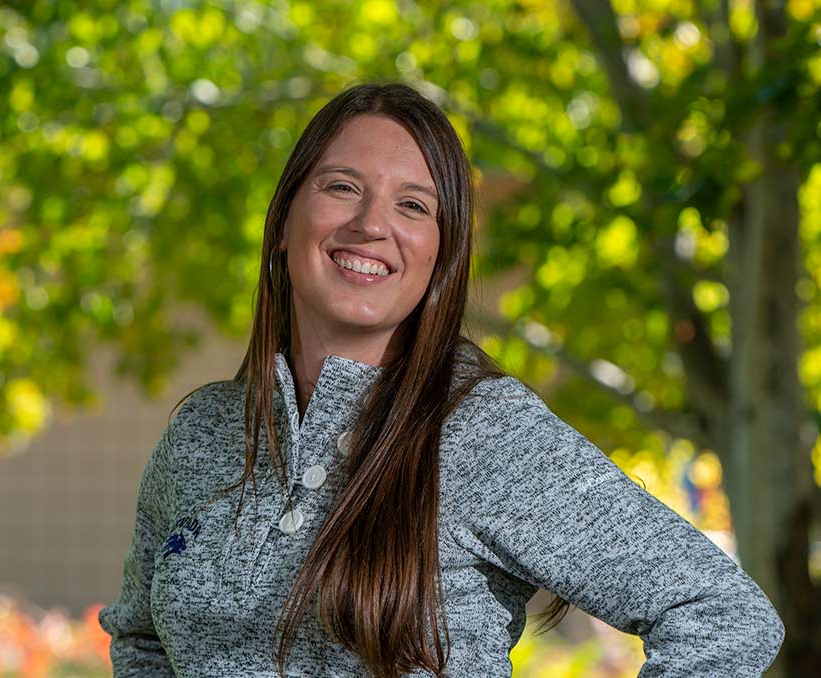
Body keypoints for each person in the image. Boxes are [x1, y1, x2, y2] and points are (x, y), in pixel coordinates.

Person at [98, 81, 785, 677]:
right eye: (342, 187)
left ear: (440, 256)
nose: (371, 225)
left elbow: (722, 614)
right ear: (283, 223)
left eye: (413, 206)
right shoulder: (204, 432)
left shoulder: (484, 432)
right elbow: (141, 639)